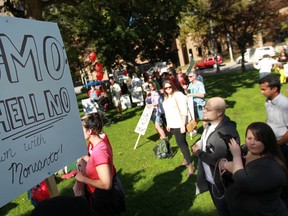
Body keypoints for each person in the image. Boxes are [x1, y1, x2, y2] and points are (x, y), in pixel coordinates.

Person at [219, 122, 288, 216]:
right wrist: (227, 164)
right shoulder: (248, 153)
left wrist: (236, 157)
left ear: (267, 141)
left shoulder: (271, 166)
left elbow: (243, 182)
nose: (252, 143)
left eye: (257, 139)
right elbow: (240, 170)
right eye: (249, 138)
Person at [191, 97, 240, 216]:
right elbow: (205, 139)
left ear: (219, 112)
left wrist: (198, 152)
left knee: (227, 211)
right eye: (204, 108)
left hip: (222, 183)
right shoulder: (209, 124)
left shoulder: (226, 133)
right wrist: (199, 143)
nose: (204, 111)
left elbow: (218, 160)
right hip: (211, 179)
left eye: (208, 109)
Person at [75, 113, 125, 215]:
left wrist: (83, 179)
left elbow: (106, 184)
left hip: (105, 199)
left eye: (81, 129)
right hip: (102, 197)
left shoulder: (99, 151)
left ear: (89, 131)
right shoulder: (98, 145)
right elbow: (96, 164)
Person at [162, 80, 195, 176]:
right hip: (173, 124)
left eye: (169, 87)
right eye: (166, 88)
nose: (168, 89)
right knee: (181, 143)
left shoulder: (178, 95)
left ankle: (190, 166)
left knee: (181, 144)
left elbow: (184, 110)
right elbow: (167, 113)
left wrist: (182, 125)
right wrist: (168, 124)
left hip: (180, 124)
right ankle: (186, 159)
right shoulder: (166, 98)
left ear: (173, 86)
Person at [258, 74, 288, 165]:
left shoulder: (285, 105)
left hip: (284, 145)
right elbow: (270, 117)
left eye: (264, 89)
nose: (261, 92)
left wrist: (278, 144)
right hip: (272, 142)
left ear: (274, 89)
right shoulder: (268, 101)